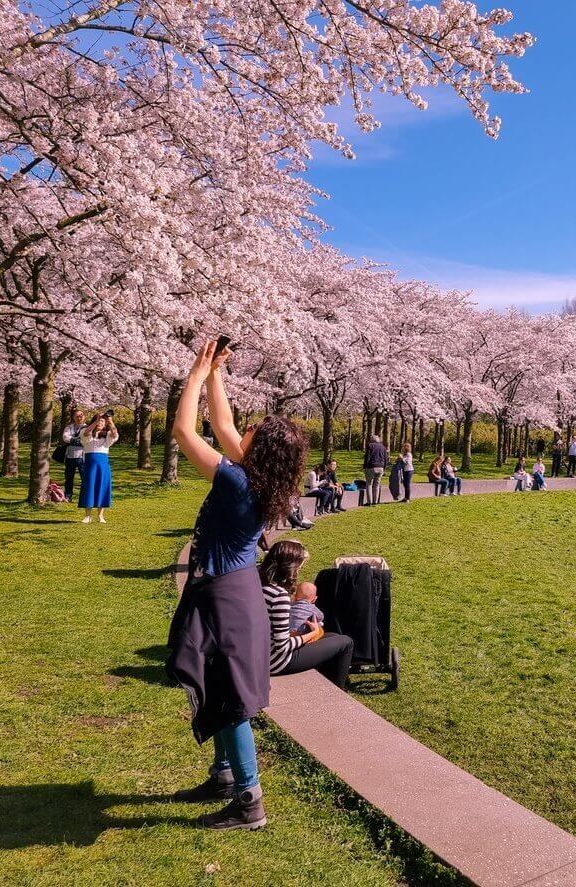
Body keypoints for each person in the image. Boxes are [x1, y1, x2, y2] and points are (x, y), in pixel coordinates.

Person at [167, 339, 307, 831]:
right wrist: (213, 374)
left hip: (224, 595)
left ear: (258, 447)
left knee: (231, 696)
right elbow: (223, 425)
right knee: (219, 686)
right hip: (233, 588)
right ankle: (225, 775)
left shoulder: (236, 482)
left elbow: (185, 430)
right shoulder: (263, 479)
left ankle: (249, 799)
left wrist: (193, 374)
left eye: (252, 430)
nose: (241, 429)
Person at [260, 540, 354, 688]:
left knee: (333, 637)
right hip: (275, 661)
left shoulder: (260, 584)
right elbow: (283, 646)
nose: (298, 572)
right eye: (299, 568)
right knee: (346, 642)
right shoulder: (279, 595)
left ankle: (324, 684)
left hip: (260, 652)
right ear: (290, 567)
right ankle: (337, 694)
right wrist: (312, 633)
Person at [79, 412, 118, 523]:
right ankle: (88, 515)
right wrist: (96, 419)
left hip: (103, 465)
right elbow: (86, 433)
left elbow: (115, 434)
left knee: (102, 487)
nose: (100, 422)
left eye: (102, 421)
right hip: (90, 464)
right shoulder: (85, 431)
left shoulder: (107, 435)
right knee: (89, 487)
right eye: (98, 420)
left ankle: (100, 515)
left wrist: (110, 421)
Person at [61, 409, 87, 502]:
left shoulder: (87, 428)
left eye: (81, 415)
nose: (79, 418)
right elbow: (65, 437)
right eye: (77, 416)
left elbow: (86, 440)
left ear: (84, 417)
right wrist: (78, 440)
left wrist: (72, 439)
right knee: (68, 478)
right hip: (70, 456)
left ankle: (85, 496)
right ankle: (68, 496)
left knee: (84, 477)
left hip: (82, 456)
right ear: (73, 417)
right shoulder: (69, 427)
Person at [362, 434, 388, 506]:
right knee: (376, 485)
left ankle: (369, 502)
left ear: (372, 440)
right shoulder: (383, 447)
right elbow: (386, 459)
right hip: (381, 468)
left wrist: (364, 466)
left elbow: (367, 457)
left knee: (369, 484)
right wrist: (384, 468)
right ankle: (375, 501)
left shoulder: (370, 445)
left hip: (371, 467)